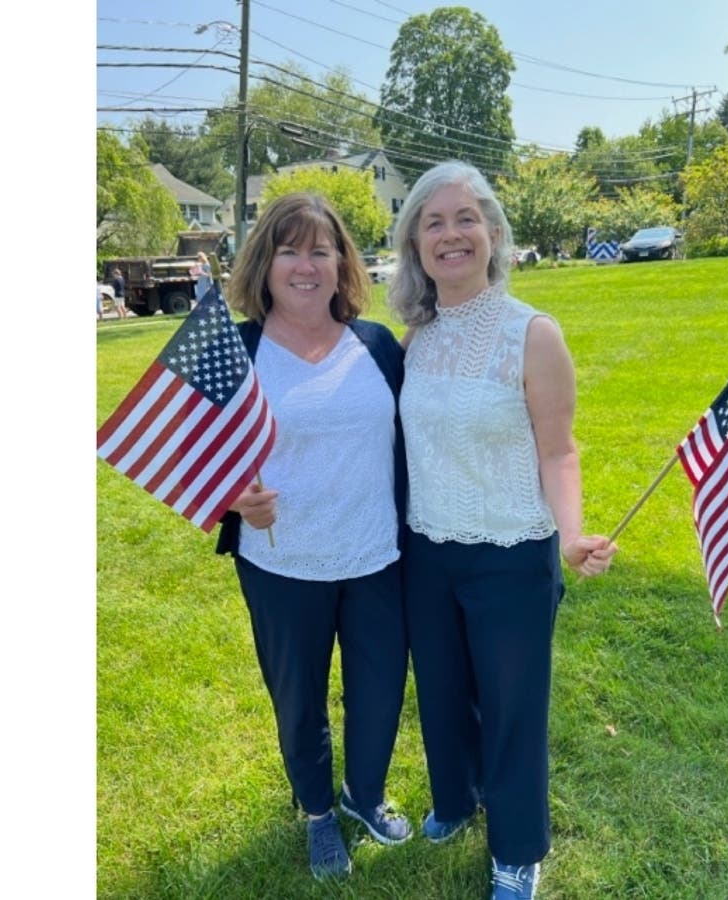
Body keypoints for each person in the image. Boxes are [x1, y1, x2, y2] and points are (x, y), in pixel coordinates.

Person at [388, 160, 617, 900]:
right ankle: (455, 802)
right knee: (445, 693)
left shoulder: (533, 334)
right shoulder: (416, 338)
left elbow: (559, 450)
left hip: (512, 554)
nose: (451, 235)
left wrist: (572, 532)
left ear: (492, 234)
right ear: (415, 243)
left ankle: (517, 847)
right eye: (433, 222)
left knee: (514, 705)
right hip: (428, 551)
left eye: (465, 219)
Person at [214, 192, 412, 881]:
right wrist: (235, 501)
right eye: (288, 250)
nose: (305, 265)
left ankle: (362, 794)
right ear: (264, 264)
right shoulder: (238, 352)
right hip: (281, 562)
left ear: (341, 263)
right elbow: (203, 458)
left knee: (380, 690)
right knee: (299, 700)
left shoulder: (378, 344)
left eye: (320, 251)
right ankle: (318, 812)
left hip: (377, 556)